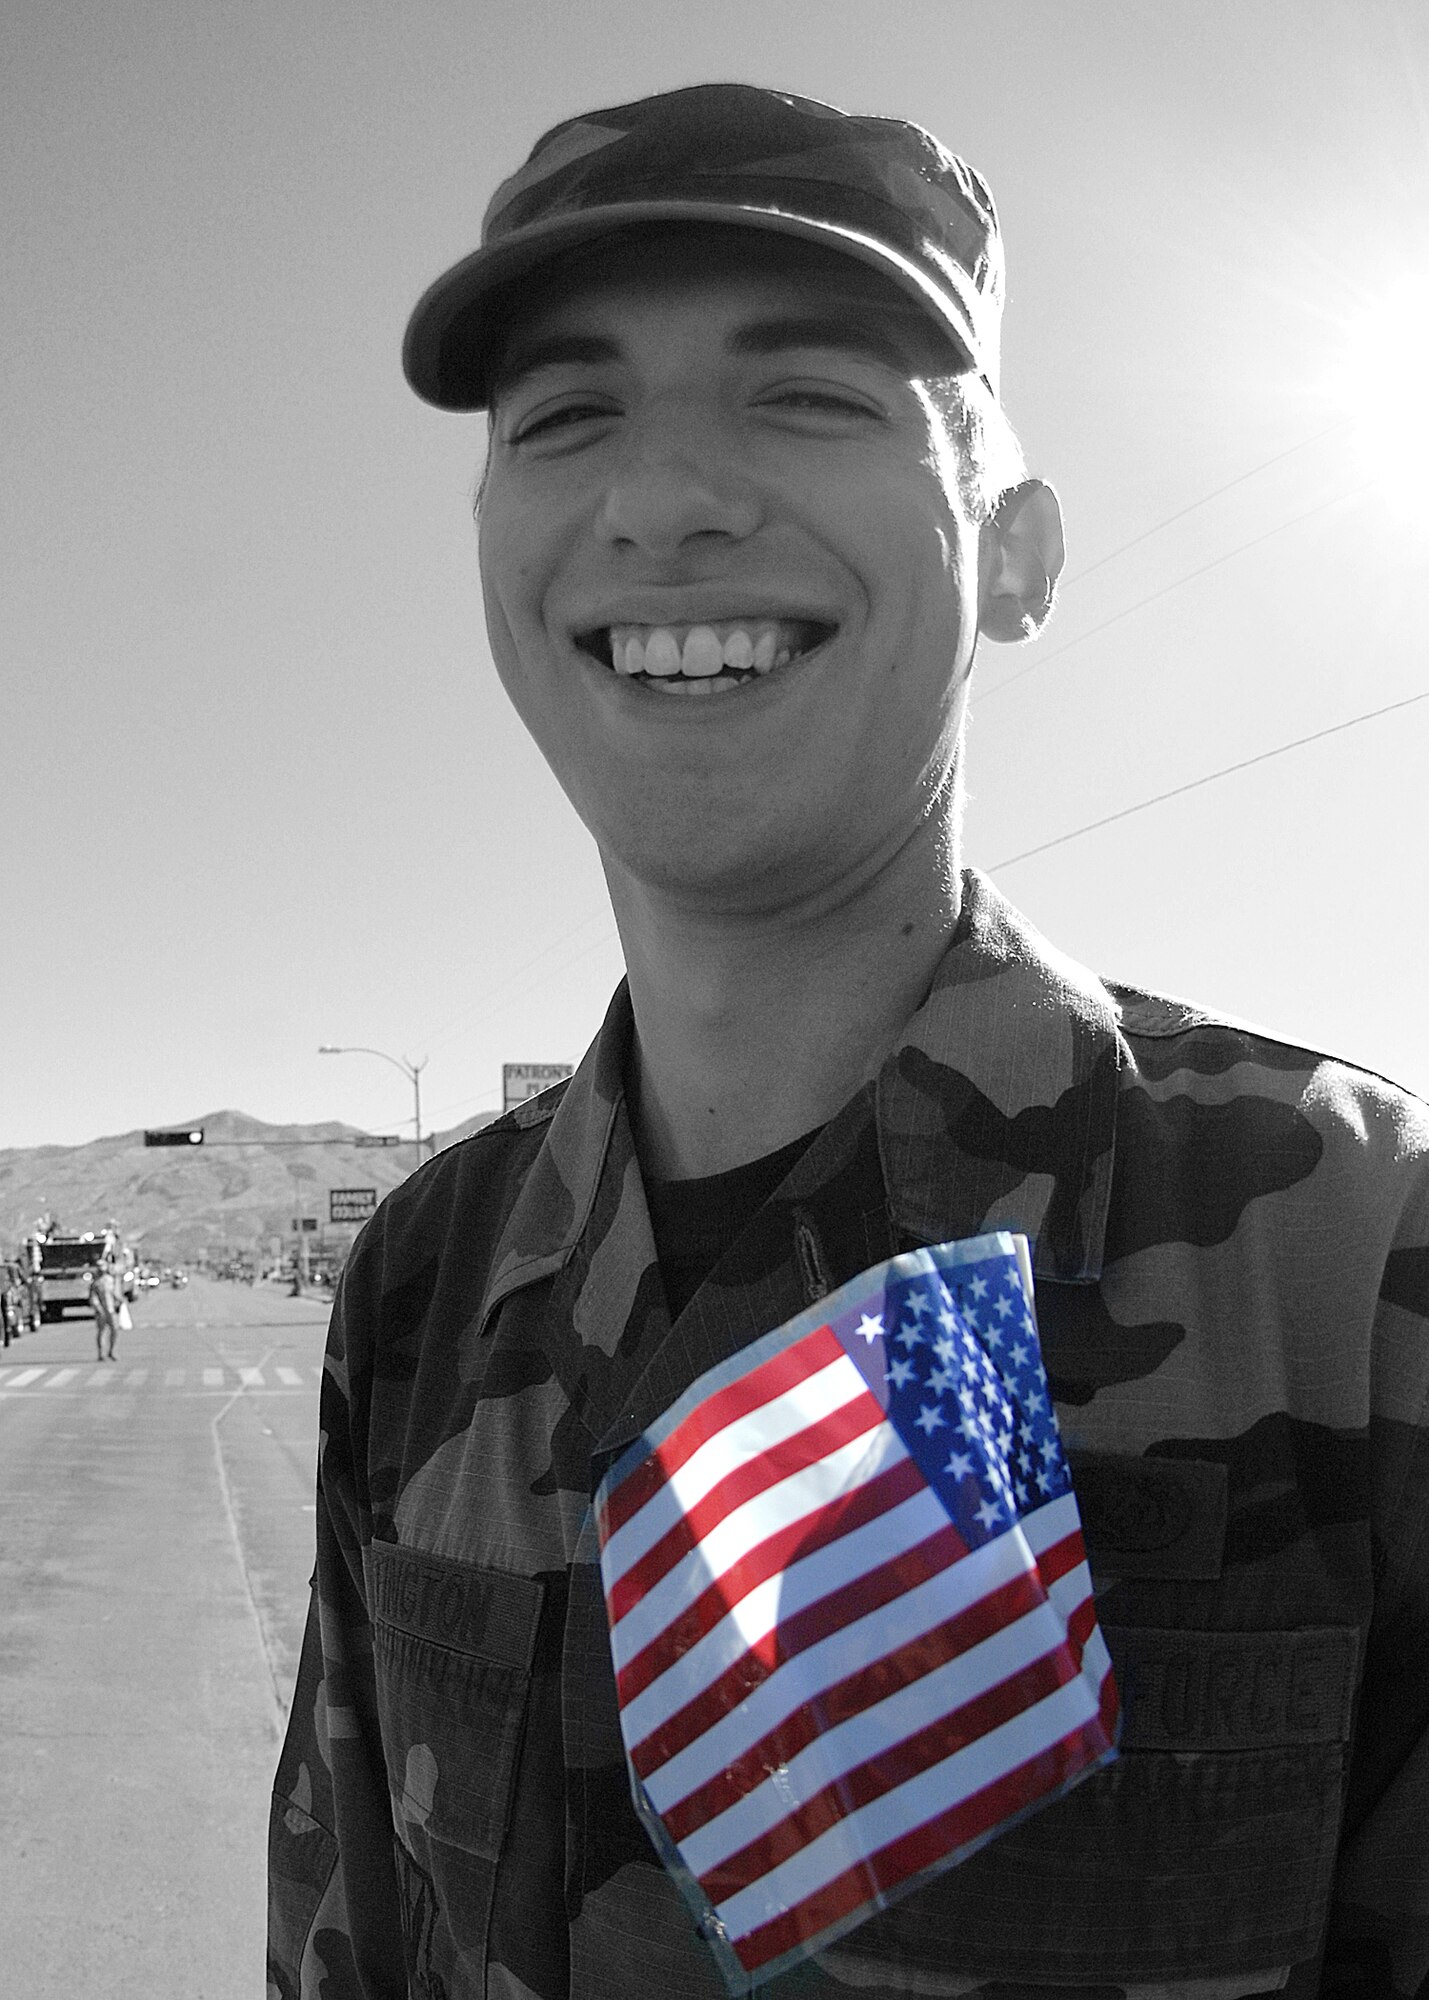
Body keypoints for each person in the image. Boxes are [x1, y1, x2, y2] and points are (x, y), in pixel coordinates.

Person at [268, 85, 1429, 2000]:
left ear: (1017, 556)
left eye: (807, 396)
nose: (661, 501)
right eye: (566, 418)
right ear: (490, 550)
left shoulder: (1356, 1259)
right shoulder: (424, 1280)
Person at [87, 1261, 119, 1361]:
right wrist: (98, 1308)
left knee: (114, 1330)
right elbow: (93, 1297)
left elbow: (113, 1292)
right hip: (101, 1311)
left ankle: (111, 1351)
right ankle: (101, 1353)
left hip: (111, 1309)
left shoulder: (110, 1280)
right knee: (101, 1331)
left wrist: (119, 1300)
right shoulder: (95, 1283)